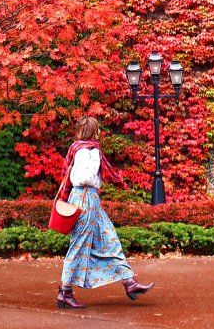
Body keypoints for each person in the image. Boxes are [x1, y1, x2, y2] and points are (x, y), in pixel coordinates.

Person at [56, 116, 154, 310]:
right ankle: (65, 292)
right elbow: (84, 177)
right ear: (94, 131)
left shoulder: (80, 149)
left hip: (88, 198)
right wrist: (118, 182)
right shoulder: (87, 151)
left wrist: (66, 197)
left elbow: (65, 175)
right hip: (85, 198)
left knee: (109, 238)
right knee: (79, 245)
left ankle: (129, 282)